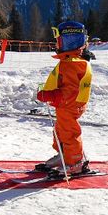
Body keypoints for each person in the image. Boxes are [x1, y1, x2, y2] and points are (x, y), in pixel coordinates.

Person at [35, 21, 95, 176]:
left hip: (69, 104)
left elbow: (70, 92)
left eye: (58, 40)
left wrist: (50, 95)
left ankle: (75, 162)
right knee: (60, 130)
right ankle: (64, 155)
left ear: (68, 40)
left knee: (69, 133)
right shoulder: (70, 61)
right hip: (67, 105)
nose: (57, 43)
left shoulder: (72, 64)